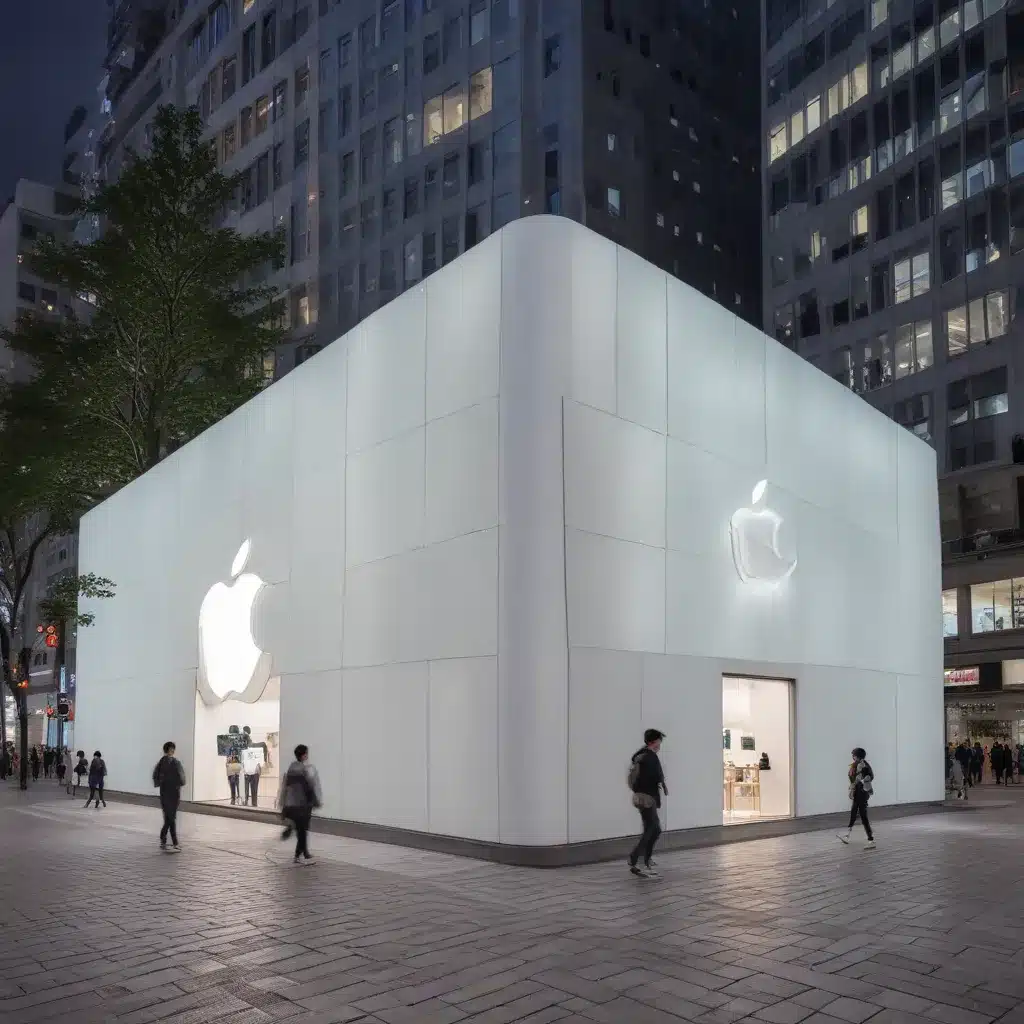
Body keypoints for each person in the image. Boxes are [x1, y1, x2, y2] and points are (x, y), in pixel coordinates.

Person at [627, 728, 668, 878]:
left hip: (640, 797)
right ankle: (636, 860)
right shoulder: (649, 757)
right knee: (652, 829)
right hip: (647, 798)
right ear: (653, 742)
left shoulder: (641, 755)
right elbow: (654, 777)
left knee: (653, 829)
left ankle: (645, 859)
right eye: (658, 741)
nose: (660, 745)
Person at [277, 744, 322, 865]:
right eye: (306, 753)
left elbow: (286, 787)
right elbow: (307, 788)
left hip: (291, 804)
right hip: (300, 805)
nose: (307, 755)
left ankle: (304, 852)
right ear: (303, 755)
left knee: (301, 830)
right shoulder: (302, 770)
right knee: (302, 831)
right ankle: (298, 856)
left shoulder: (292, 768)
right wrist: (315, 801)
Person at [838, 747, 875, 850]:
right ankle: (847, 835)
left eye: (853, 755)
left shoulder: (864, 766)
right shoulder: (857, 765)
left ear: (857, 756)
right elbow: (854, 779)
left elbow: (869, 777)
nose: (852, 757)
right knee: (854, 812)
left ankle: (871, 840)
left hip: (862, 794)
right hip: (858, 793)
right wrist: (853, 788)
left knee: (863, 816)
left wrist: (862, 780)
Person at [152, 741, 186, 852]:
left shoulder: (175, 762)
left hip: (173, 793)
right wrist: (162, 782)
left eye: (173, 749)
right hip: (167, 792)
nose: (172, 751)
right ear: (167, 750)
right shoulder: (163, 763)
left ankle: (163, 837)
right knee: (171, 817)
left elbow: (182, 777)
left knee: (169, 817)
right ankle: (174, 842)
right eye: (170, 749)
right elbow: (156, 775)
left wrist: (179, 783)